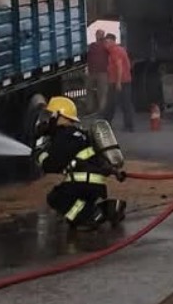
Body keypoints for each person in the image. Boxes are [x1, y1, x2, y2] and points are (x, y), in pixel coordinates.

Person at [33, 96, 127, 229]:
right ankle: (110, 208)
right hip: (93, 184)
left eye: (51, 115)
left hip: (82, 184)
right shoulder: (79, 133)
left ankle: (92, 215)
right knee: (73, 217)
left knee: (56, 198)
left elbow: (51, 165)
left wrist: (39, 154)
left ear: (60, 116)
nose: (48, 120)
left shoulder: (64, 137)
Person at [102, 33, 135, 131]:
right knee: (126, 103)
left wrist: (118, 82)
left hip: (117, 81)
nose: (105, 45)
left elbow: (119, 66)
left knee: (111, 104)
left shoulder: (115, 51)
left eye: (107, 42)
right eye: (105, 42)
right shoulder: (120, 49)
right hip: (125, 80)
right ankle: (129, 126)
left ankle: (106, 124)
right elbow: (127, 65)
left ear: (113, 42)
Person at [86, 29, 110, 116]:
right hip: (92, 71)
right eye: (98, 34)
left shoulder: (106, 45)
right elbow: (88, 57)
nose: (99, 36)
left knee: (102, 92)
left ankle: (102, 110)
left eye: (101, 34)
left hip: (103, 72)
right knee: (89, 90)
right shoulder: (92, 46)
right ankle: (90, 109)